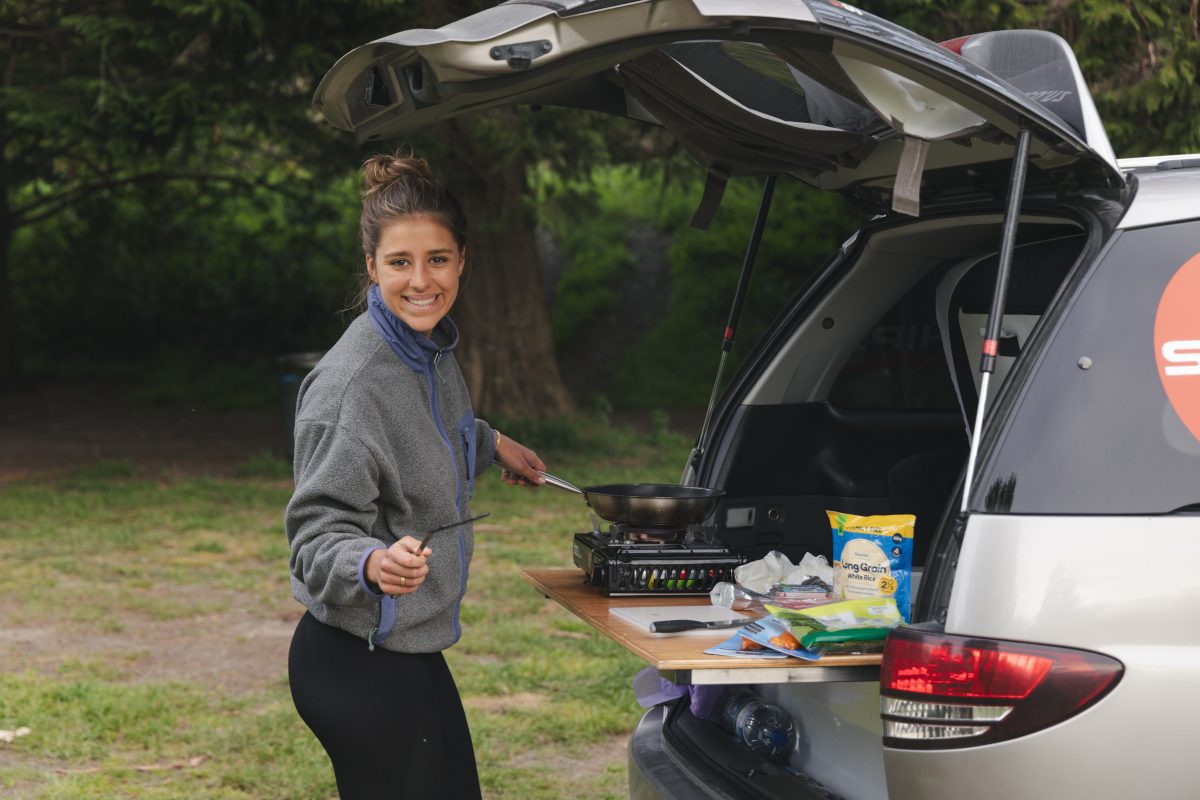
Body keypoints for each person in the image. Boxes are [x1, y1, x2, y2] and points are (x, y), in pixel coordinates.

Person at [285, 153, 546, 800]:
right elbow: (314, 539)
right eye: (400, 262)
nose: (421, 280)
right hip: (355, 658)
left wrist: (489, 443)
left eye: (438, 259)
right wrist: (371, 562)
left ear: (462, 261)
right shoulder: (348, 388)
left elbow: (425, 433)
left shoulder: (428, 350)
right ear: (372, 267)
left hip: (406, 648)